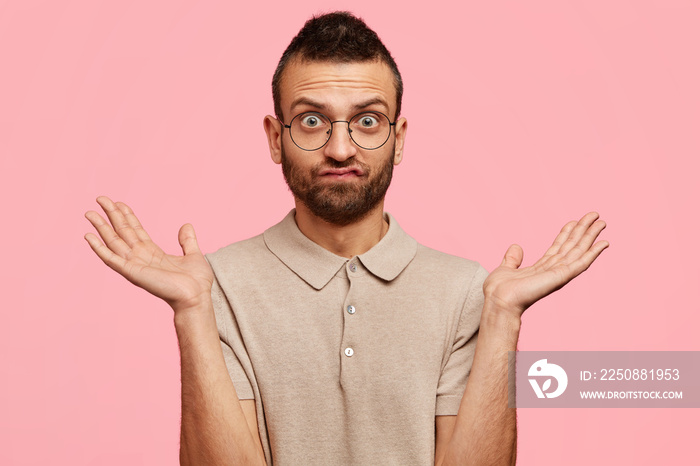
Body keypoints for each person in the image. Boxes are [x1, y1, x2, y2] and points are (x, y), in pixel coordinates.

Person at [84, 11, 608, 466]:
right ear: (275, 137)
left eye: (367, 120)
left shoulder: (468, 291)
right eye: (312, 120)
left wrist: (502, 317)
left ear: (398, 139)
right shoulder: (216, 284)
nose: (340, 148)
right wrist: (192, 310)